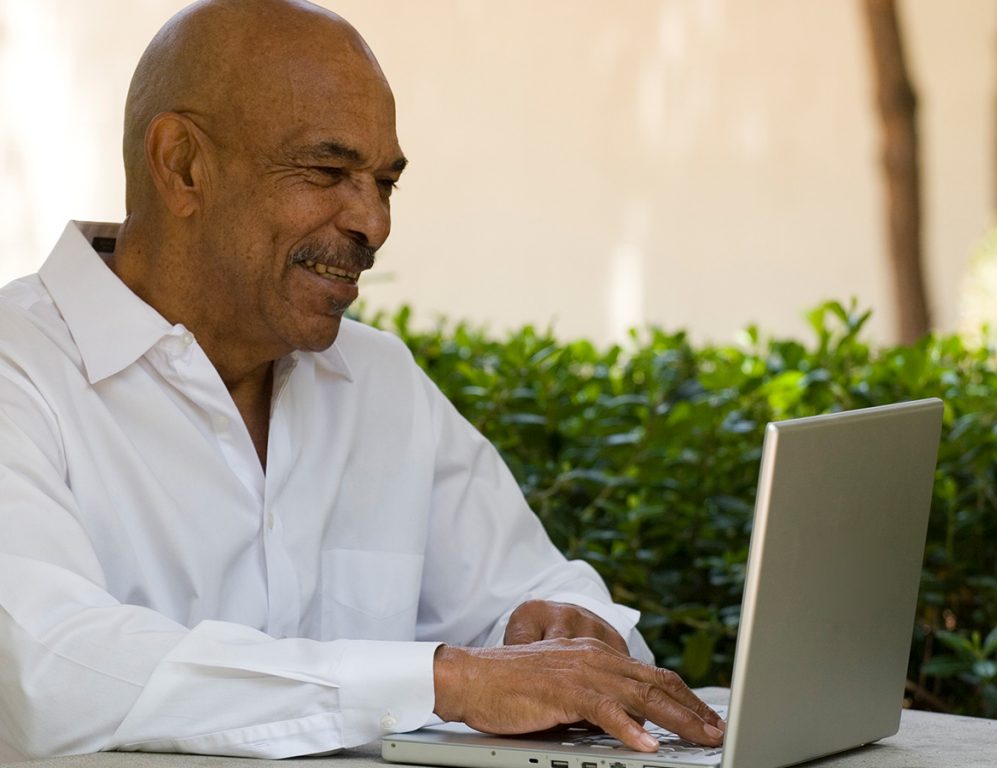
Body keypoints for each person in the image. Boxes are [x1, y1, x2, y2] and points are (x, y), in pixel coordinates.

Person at [0, 0, 725, 760]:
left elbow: (535, 589)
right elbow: (49, 672)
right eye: (326, 171)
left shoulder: (379, 380)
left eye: (384, 183)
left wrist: (562, 631)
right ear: (183, 165)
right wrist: (443, 679)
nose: (373, 223)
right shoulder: (20, 368)